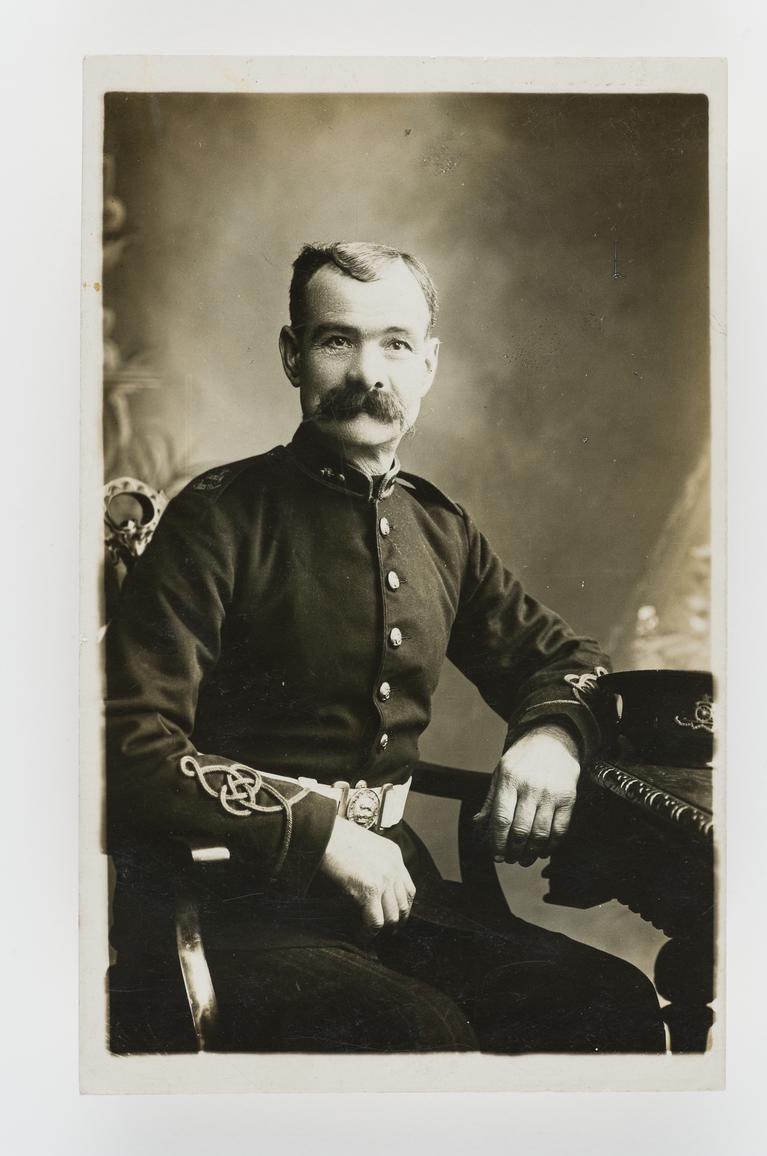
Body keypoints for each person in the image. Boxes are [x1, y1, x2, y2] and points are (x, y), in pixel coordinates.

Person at [105, 240, 666, 1054]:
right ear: (293, 355)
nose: (370, 371)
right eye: (338, 340)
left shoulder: (440, 530)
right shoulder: (219, 519)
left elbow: (563, 658)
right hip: (232, 906)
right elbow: (129, 741)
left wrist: (550, 735)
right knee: (421, 1036)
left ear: (429, 363)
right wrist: (321, 832)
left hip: (403, 891)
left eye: (396, 343)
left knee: (605, 1000)